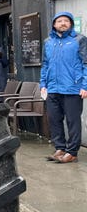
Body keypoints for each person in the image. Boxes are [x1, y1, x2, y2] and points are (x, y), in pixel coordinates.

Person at [40, 11, 87, 163]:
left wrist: (85, 85)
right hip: (52, 88)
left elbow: (86, 63)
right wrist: (43, 84)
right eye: (59, 21)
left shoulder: (79, 39)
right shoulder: (48, 42)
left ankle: (72, 152)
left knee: (73, 121)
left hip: (72, 88)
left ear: (71, 24)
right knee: (54, 119)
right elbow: (45, 64)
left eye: (66, 21)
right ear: (54, 24)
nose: (63, 23)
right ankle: (60, 148)